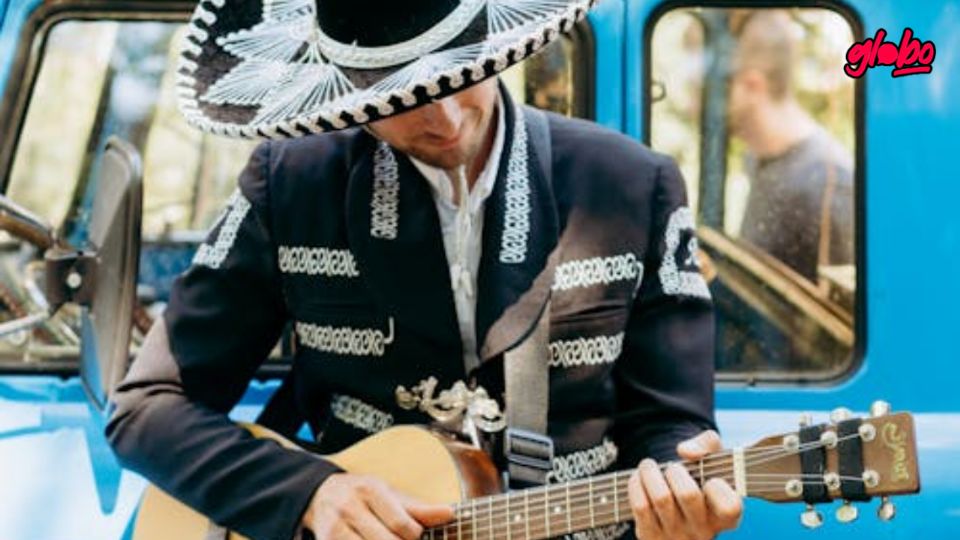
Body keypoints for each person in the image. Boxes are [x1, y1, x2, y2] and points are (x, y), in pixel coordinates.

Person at [105, 1, 743, 539]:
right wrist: (308, 493)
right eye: (397, 95)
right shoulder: (289, 184)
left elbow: (672, 424)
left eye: (459, 74)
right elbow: (146, 409)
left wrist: (676, 499)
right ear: (345, 85)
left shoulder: (633, 184)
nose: (443, 118)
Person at [728, 10, 854, 283]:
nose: (694, 104)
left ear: (752, 86)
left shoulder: (826, 185)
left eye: (709, 89)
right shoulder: (758, 159)